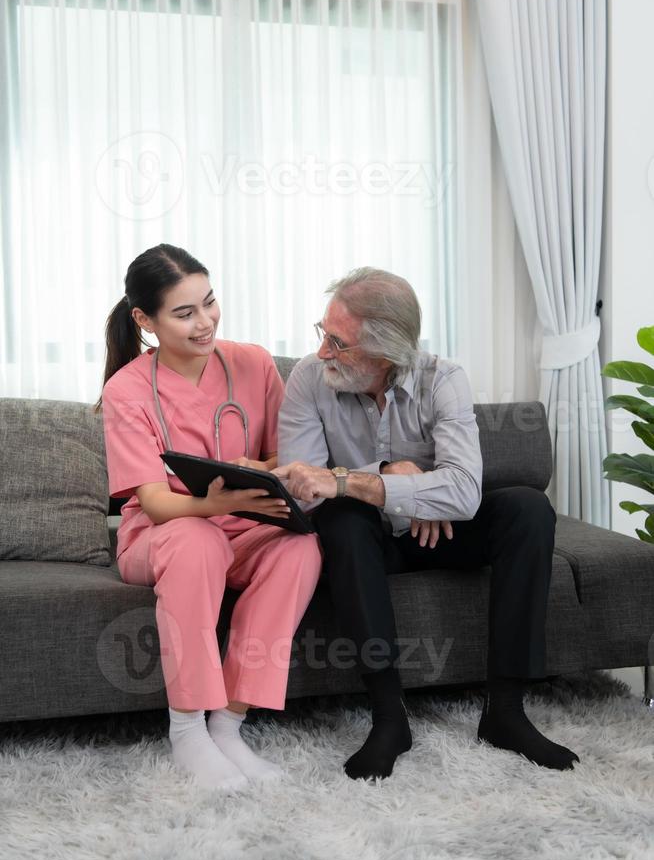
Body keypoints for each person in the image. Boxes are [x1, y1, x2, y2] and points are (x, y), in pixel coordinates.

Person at [274, 267, 579, 782]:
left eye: (337, 341)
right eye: (322, 333)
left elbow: (462, 490)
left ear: (386, 351)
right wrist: (394, 478)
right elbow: (304, 490)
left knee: (528, 508)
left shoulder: (445, 379)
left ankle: (505, 712)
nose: (323, 351)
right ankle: (390, 719)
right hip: (372, 538)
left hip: (441, 534)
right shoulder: (308, 378)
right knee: (342, 518)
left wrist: (394, 489)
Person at [97, 244, 322, 792]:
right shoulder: (126, 390)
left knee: (301, 548)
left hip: (243, 528)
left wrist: (255, 471)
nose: (205, 322)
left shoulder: (252, 363)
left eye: (210, 302)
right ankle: (188, 730)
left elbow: (288, 457)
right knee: (196, 539)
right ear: (144, 320)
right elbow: (154, 501)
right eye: (184, 312)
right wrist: (219, 503)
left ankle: (228, 725)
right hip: (163, 535)